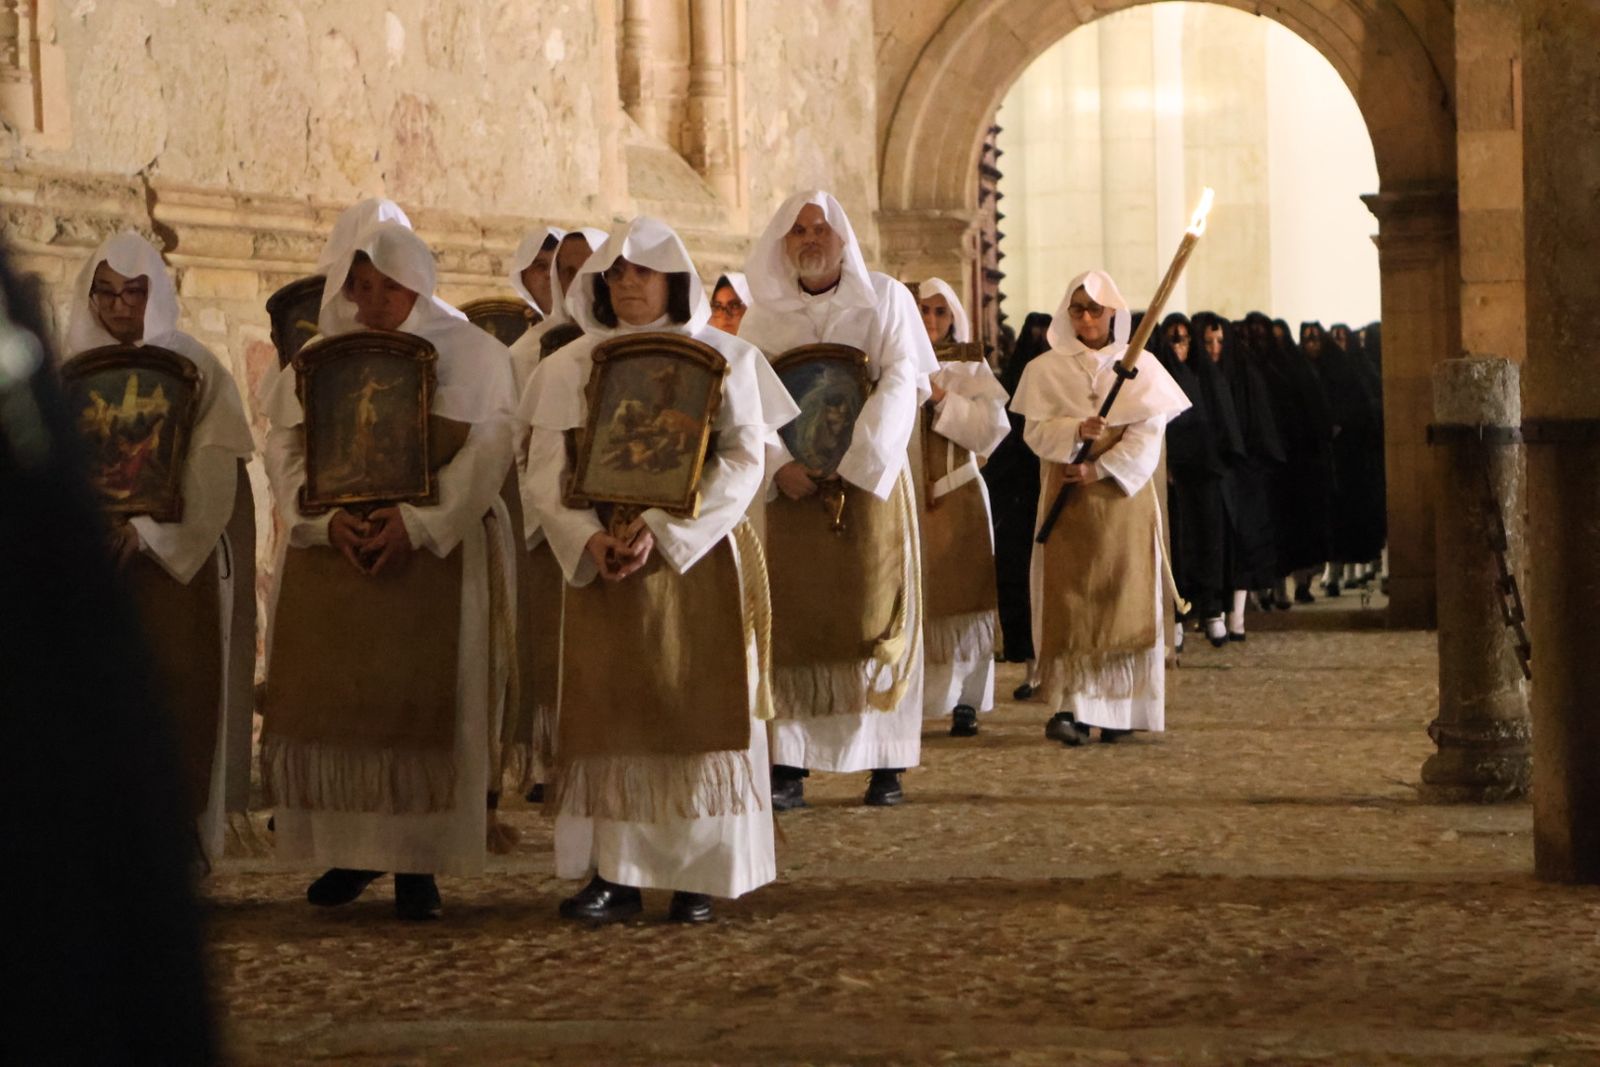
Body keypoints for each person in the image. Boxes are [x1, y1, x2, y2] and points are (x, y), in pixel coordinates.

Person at [522, 216, 797, 924]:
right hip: (603, 563)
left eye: (641, 271)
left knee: (691, 705)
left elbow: (744, 458)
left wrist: (668, 528)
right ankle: (612, 869)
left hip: (695, 556)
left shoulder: (725, 359)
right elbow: (544, 475)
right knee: (610, 709)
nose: (626, 284)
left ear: (675, 279)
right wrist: (586, 539)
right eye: (615, 273)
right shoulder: (567, 368)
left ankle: (698, 867)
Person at [260, 222, 517, 920]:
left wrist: (423, 523)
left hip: (431, 552)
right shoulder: (317, 358)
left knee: (425, 709)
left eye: (391, 284)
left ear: (420, 281)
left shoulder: (476, 354)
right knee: (347, 709)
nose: (375, 299)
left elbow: (490, 447)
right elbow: (284, 448)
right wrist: (319, 520)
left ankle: (418, 865)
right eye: (361, 285)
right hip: (334, 557)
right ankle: (353, 849)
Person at [740, 190, 937, 808]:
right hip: (792, 486)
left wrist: (858, 462)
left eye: (820, 228)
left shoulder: (885, 299)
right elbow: (747, 403)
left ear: (842, 237)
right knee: (794, 613)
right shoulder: (762, 318)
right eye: (797, 231)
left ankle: (885, 759)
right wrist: (779, 465)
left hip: (868, 482)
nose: (809, 239)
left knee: (875, 610)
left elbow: (904, 378)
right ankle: (790, 764)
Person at [62, 232, 255, 862]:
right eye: (108, 293)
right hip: (81, 572)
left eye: (134, 293)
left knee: (172, 698)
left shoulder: (197, 369)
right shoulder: (62, 372)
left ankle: (169, 851)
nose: (120, 308)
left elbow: (211, 472)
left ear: (157, 294)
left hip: (170, 570)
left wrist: (146, 534)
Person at [1012, 270, 1189, 746]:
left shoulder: (1141, 366)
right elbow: (1034, 431)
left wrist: (1102, 466)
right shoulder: (1045, 369)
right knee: (1070, 599)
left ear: (1113, 313)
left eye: (1095, 309)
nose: (1087, 318)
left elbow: (1148, 431)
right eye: (1078, 310)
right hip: (1066, 495)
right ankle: (1069, 706)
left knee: (1121, 594)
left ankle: (1119, 707)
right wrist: (1073, 431)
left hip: (1120, 497)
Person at [915, 278, 1009, 736]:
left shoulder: (970, 369)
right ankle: (916, 696)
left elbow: (990, 432)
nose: (931, 321)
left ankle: (967, 699)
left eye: (940, 312)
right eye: (923, 310)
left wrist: (940, 398)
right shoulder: (894, 361)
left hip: (960, 489)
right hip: (911, 498)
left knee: (966, 601)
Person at [1195, 313, 1282, 640]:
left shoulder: (1243, 374)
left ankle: (1238, 619)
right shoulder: (1199, 377)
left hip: (1242, 473)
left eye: (1219, 341)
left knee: (1243, 545)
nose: (1215, 349)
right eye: (1208, 343)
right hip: (1214, 475)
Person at [1151, 312, 1234, 652]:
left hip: (1206, 473)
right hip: (1172, 477)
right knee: (1179, 545)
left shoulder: (1205, 377)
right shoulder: (1157, 379)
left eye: (1185, 339)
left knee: (1209, 540)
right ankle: (1179, 617)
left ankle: (1213, 611)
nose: (1180, 347)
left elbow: (1222, 422)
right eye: (1173, 339)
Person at [984, 310, 1051, 695]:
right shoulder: (1010, 391)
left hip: (1055, 498)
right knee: (1020, 586)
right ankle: (1031, 668)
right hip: (1017, 503)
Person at [1249, 312, 1334, 606]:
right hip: (1272, 465)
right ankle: (1275, 587)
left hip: (1298, 464)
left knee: (1296, 530)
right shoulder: (1258, 371)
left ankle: (1294, 585)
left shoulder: (1294, 370)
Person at [1301, 320, 1383, 595]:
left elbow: (1364, 410)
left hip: (1351, 458)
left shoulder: (1353, 372)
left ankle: (1348, 569)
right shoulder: (1314, 371)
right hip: (1325, 457)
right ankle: (1331, 570)